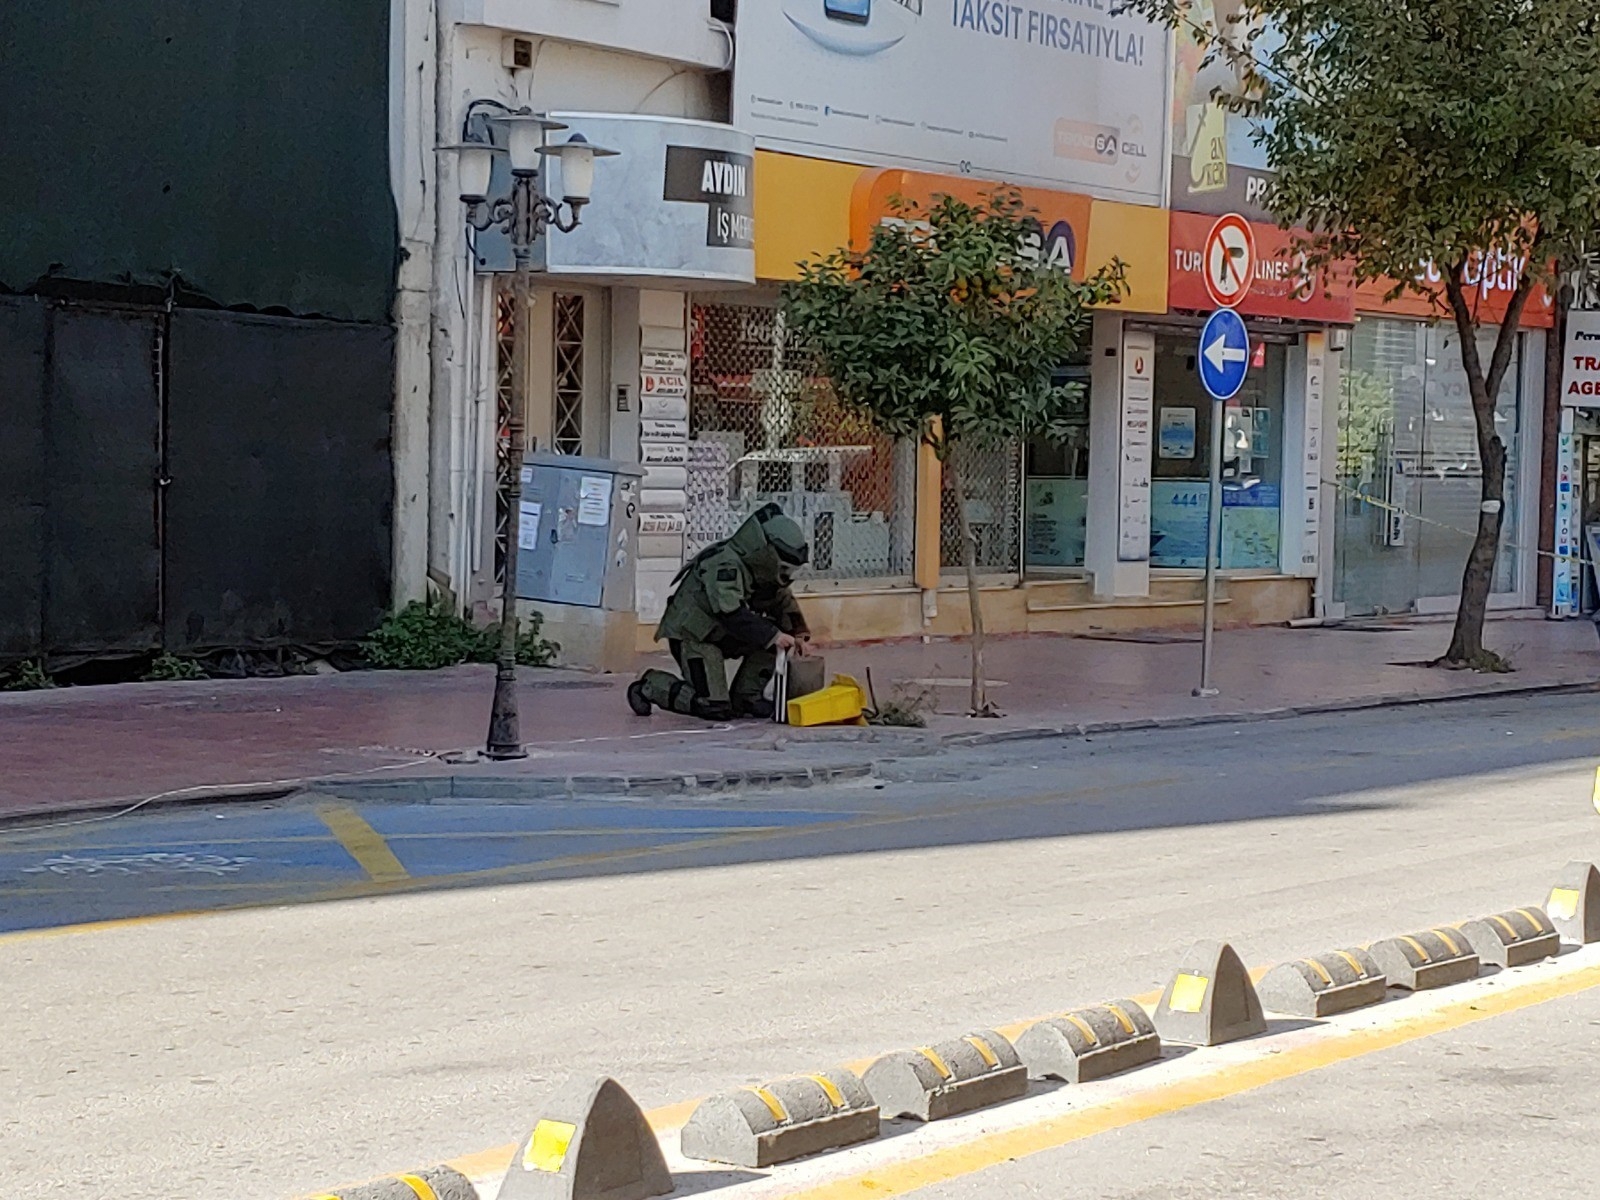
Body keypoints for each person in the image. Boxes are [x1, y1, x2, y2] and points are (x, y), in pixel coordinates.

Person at [628, 503, 811, 720]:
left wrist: (798, 634)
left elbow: (783, 601)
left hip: (722, 633)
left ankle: (747, 697)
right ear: (767, 554)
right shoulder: (725, 564)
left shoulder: (762, 571)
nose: (787, 574)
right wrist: (774, 636)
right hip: (694, 637)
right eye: (785, 567)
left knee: (776, 638)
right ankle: (649, 685)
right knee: (713, 707)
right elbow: (731, 614)